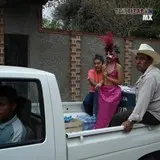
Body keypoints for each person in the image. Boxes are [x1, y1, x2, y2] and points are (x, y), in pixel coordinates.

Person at [109, 43, 160, 133]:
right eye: (137, 58)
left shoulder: (149, 77)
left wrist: (130, 120)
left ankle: (109, 138)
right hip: (153, 112)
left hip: (155, 115)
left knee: (118, 117)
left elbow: (143, 101)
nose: (137, 61)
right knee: (128, 111)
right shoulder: (153, 72)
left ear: (150, 61)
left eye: (142, 59)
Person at [94, 32, 123, 129]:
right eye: (107, 54)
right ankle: (99, 130)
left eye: (110, 55)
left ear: (114, 55)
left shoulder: (118, 67)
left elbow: (120, 82)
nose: (108, 57)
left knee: (109, 115)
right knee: (102, 114)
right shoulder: (104, 66)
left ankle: (109, 130)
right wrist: (99, 84)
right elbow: (103, 79)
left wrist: (108, 77)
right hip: (103, 92)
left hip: (114, 93)